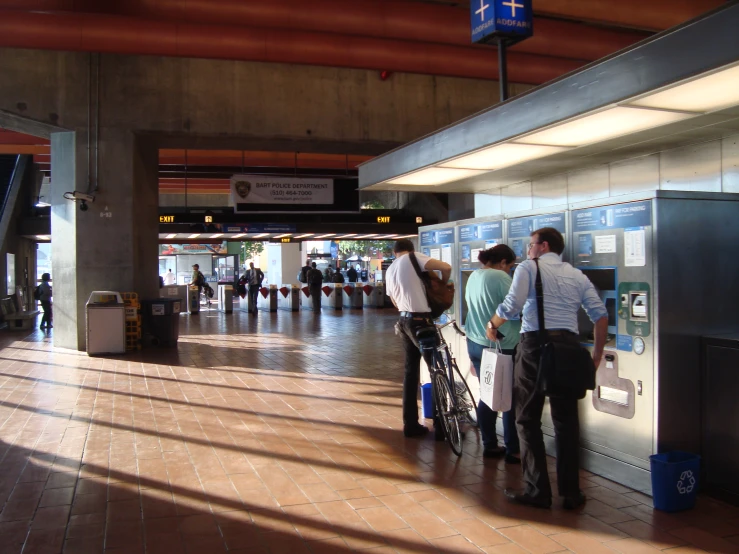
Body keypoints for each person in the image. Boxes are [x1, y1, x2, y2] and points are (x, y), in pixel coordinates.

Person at [487, 227, 608, 510]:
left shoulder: (529, 268)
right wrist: (597, 357)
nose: (527, 250)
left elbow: (512, 305)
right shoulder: (577, 275)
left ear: (542, 246)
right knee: (566, 423)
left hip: (535, 349)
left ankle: (538, 490)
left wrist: (492, 324)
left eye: (530, 245)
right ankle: (571, 493)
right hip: (568, 348)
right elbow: (600, 316)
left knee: (527, 419)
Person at [385, 238, 452, 439]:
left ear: (395, 252)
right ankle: (442, 428)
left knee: (410, 373)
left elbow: (395, 302)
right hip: (422, 321)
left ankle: (411, 425)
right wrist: (443, 283)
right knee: (437, 370)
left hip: (404, 321)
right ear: (410, 250)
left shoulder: (390, 269)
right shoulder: (413, 257)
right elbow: (445, 266)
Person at [464, 245, 521, 464]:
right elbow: (514, 308)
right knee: (508, 399)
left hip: (476, 343)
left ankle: (489, 444)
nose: (510, 271)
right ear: (504, 262)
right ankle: (512, 449)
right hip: (502, 345)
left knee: (488, 394)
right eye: (511, 266)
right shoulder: (499, 277)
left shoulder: (474, 276)